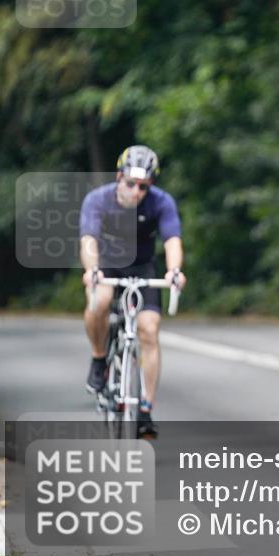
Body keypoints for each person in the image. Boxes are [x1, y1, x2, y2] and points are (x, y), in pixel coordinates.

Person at [79, 145, 186, 439]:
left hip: (142, 268)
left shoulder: (160, 202)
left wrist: (174, 271)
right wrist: (92, 269)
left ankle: (145, 410)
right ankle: (99, 358)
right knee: (99, 302)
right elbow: (88, 240)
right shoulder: (97, 200)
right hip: (107, 265)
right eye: (131, 184)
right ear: (119, 177)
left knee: (149, 329)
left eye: (143, 186)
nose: (136, 192)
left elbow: (172, 240)